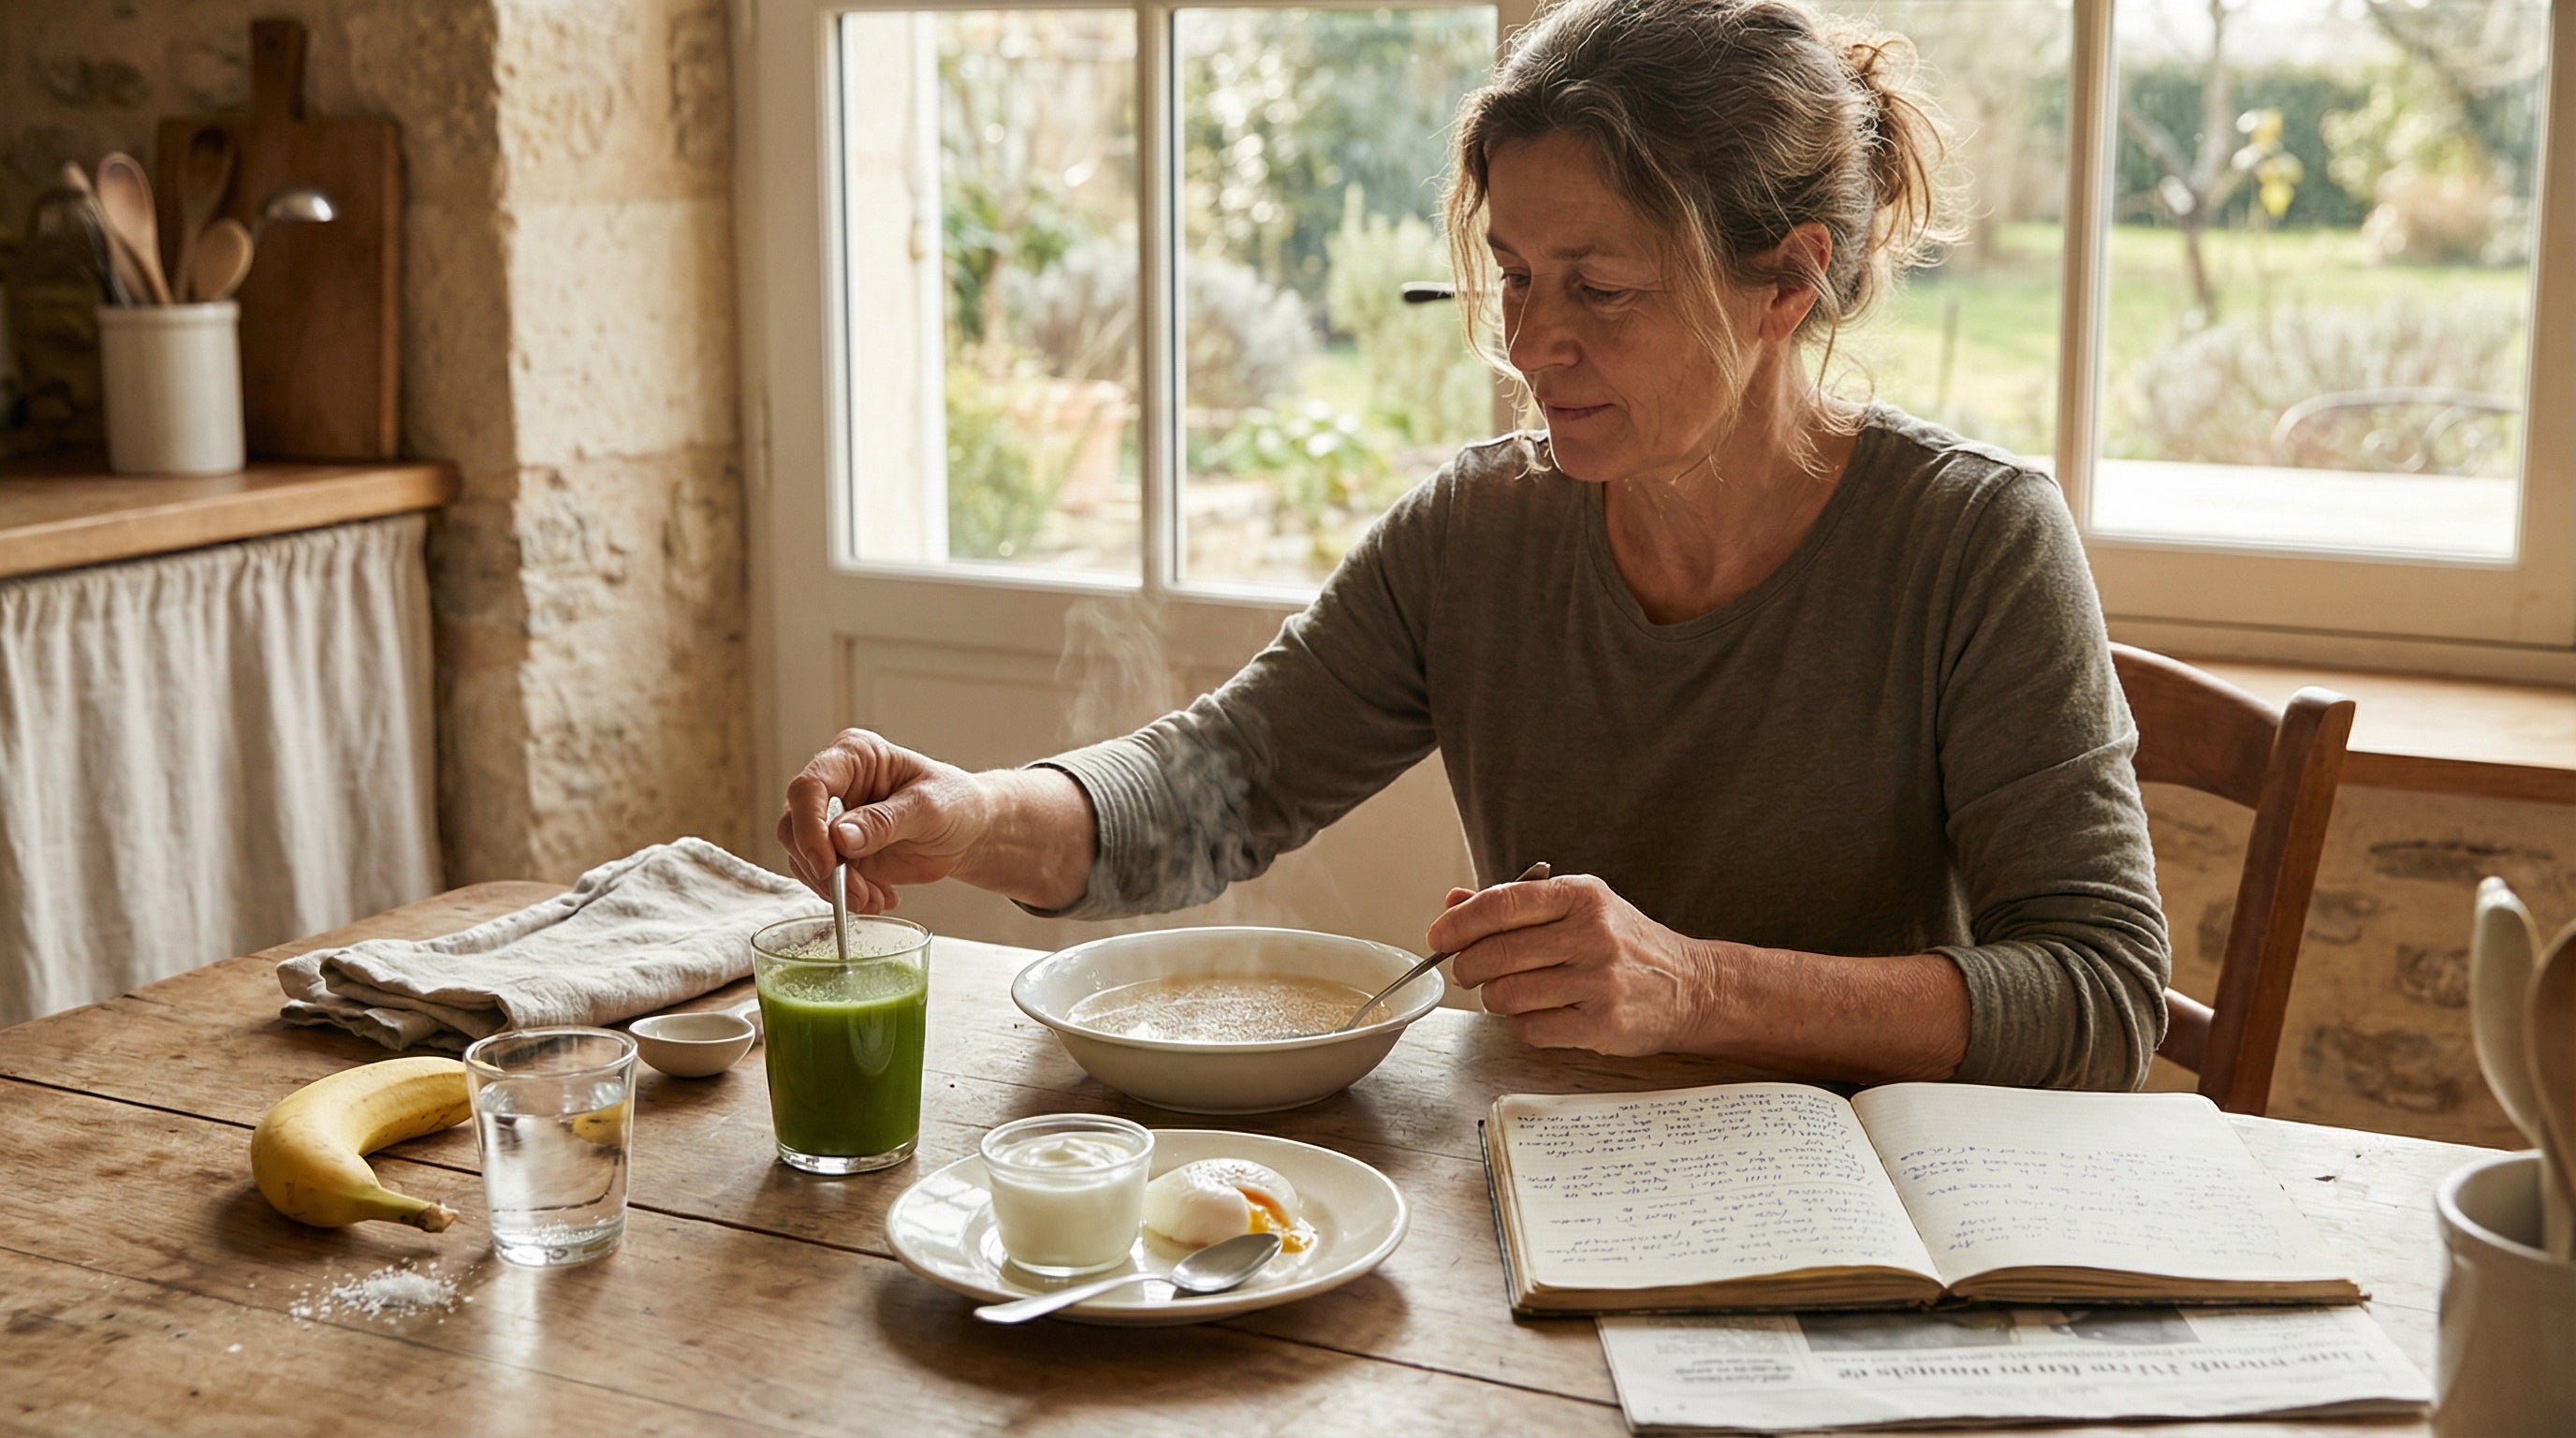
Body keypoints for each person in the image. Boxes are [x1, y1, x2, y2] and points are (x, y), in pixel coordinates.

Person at [778, 0, 2169, 1090]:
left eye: (1599, 287)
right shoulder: (1481, 530)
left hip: (1862, 1225)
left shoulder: (1973, 542)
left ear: (1787, 282)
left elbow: (2103, 994)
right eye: (1511, 273)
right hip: (1538, 1184)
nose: (1529, 344)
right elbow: (1218, 782)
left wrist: (1695, 988)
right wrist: (977, 820)